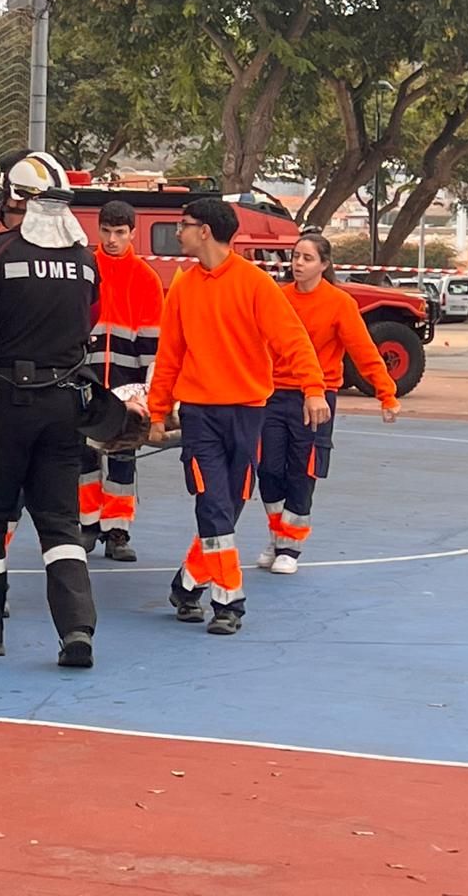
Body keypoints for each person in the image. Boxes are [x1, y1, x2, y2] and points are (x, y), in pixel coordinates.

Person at [0, 151, 102, 667]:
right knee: (61, 522)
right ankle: (77, 628)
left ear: (14, 199)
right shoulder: (85, 260)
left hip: (6, 403)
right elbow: (91, 318)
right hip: (64, 404)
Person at [146, 197, 327, 635]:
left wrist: (313, 389)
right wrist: (157, 412)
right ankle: (230, 602)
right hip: (199, 416)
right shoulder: (183, 288)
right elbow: (169, 356)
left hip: (248, 414)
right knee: (212, 503)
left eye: (184, 225)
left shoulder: (255, 284)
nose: (179, 232)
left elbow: (292, 340)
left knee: (228, 506)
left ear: (205, 231)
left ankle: (187, 585)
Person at [257, 232, 399, 573]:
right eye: (295, 256)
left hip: (316, 399)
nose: (298, 263)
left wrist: (386, 392)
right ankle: (277, 535)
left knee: (302, 470)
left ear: (324, 264)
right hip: (273, 395)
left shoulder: (339, 303)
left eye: (307, 258)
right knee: (268, 469)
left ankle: (290, 546)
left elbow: (364, 351)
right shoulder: (277, 298)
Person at [77, 200, 165, 561]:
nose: (112, 239)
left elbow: (152, 344)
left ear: (132, 233)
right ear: (98, 230)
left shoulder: (146, 278)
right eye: (106, 231)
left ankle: (117, 531)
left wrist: (149, 392)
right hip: (86, 381)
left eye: (120, 232)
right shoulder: (84, 269)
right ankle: (87, 525)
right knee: (83, 456)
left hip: (128, 386)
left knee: (123, 456)